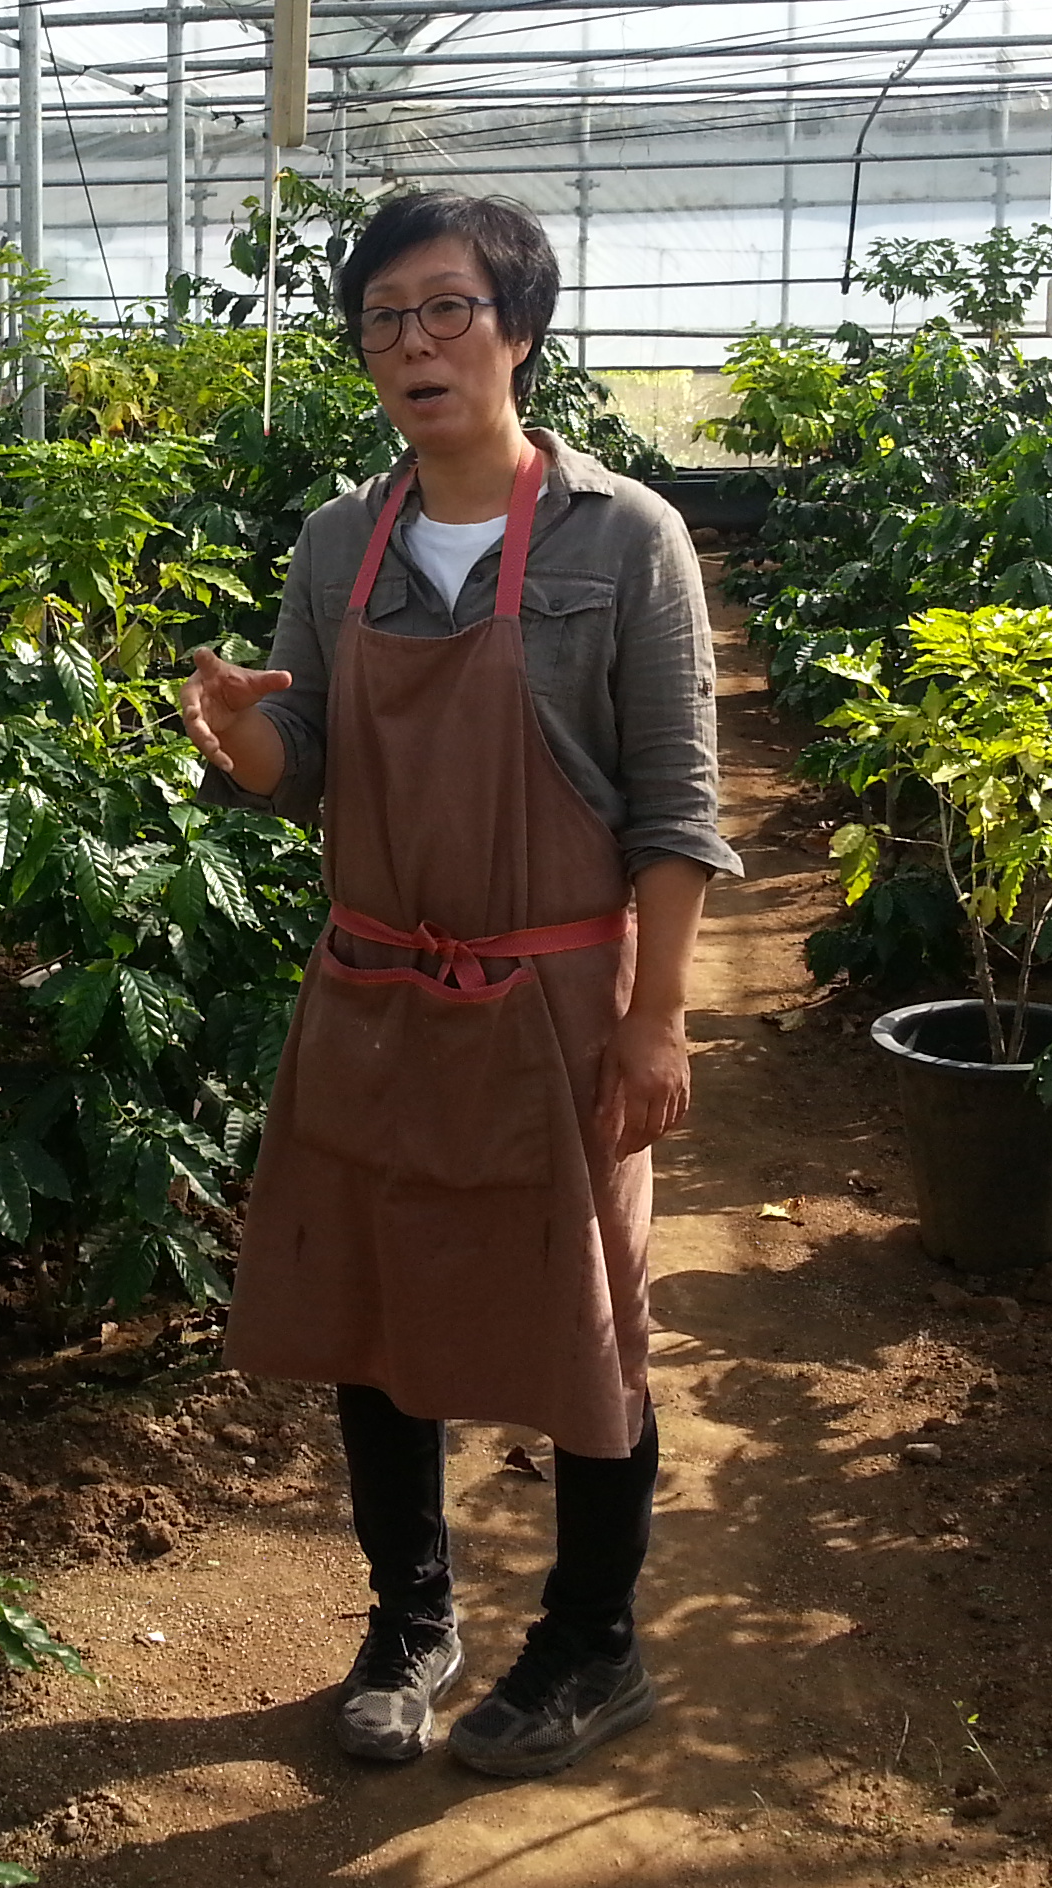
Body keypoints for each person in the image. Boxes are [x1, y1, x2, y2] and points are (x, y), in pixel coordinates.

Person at [180, 190, 735, 1781]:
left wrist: (656, 1017)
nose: (413, 343)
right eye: (383, 319)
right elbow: (307, 769)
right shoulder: (338, 541)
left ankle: (594, 1642)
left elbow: (675, 804)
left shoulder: (624, 538)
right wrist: (242, 736)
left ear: (519, 331)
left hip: (555, 999)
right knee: (376, 1315)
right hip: (374, 989)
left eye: (446, 309)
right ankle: (409, 1621)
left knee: (588, 1325)